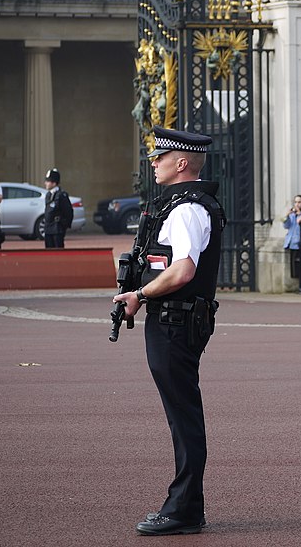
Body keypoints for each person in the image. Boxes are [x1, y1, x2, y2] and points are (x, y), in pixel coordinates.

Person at [112, 126, 226, 536]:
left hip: (176, 322)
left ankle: (183, 509)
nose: (153, 163)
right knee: (182, 416)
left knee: (184, 418)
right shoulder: (182, 205)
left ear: (181, 163)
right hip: (174, 319)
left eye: (160, 157)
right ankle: (186, 506)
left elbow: (183, 270)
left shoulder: (187, 209)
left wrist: (140, 293)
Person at [42, 168, 74, 248]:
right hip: (48, 228)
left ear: (54, 183)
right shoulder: (48, 195)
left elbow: (68, 212)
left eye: (48, 181)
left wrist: (64, 225)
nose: (45, 183)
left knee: (58, 250)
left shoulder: (61, 195)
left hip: (57, 228)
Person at [283, 194, 301, 279]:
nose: (297, 204)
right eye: (295, 202)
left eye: (299, 202)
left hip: (299, 241)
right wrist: (287, 216)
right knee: (293, 264)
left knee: (300, 263)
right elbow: (287, 226)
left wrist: (299, 214)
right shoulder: (292, 214)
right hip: (291, 241)